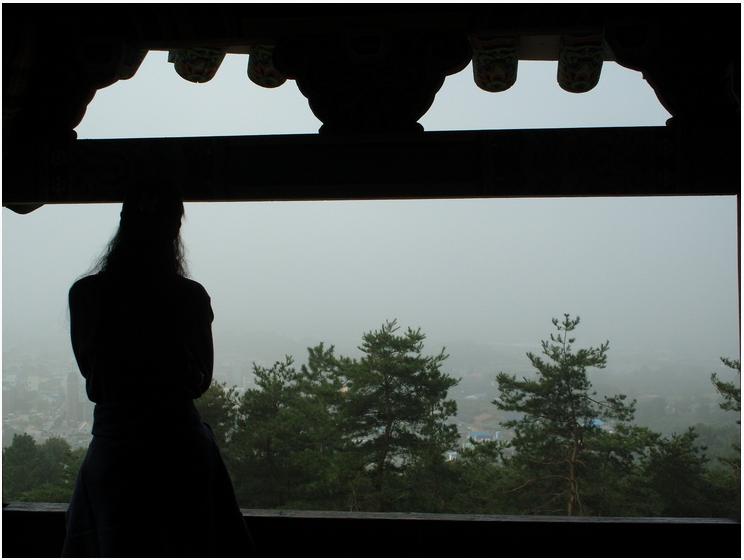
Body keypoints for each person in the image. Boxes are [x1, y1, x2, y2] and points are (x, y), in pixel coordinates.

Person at [62, 183, 253, 557]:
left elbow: (90, 371)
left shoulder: (86, 294)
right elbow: (201, 380)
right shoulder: (189, 297)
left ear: (123, 223)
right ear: (174, 230)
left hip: (115, 451)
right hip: (181, 451)